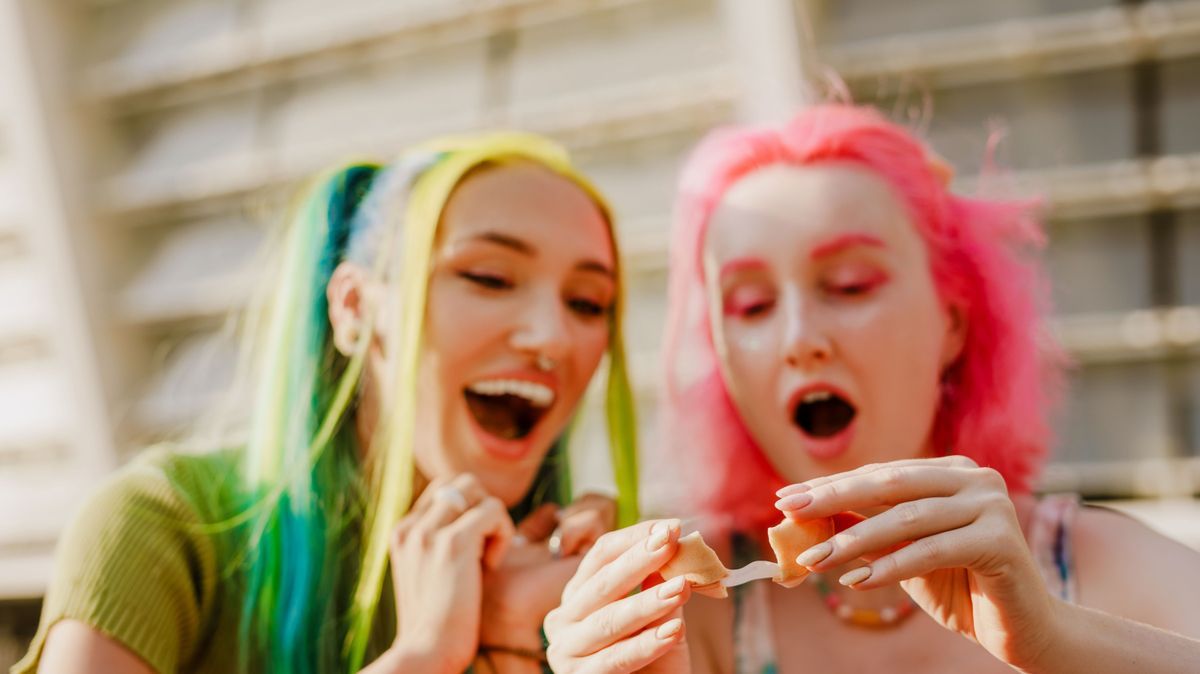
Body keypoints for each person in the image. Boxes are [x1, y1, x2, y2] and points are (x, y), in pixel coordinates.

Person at [544, 104, 1200, 673]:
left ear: (951, 322)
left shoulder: (1089, 567)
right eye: (751, 305)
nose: (799, 337)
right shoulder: (693, 613)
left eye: (850, 285)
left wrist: (1058, 640)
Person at [15, 132, 640, 674]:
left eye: (587, 303)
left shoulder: (574, 589)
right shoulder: (161, 527)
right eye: (489, 277)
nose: (554, 337)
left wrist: (507, 644)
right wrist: (423, 658)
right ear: (354, 308)